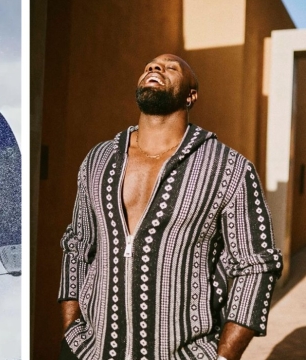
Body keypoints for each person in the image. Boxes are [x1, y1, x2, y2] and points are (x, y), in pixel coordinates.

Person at [57, 54, 283, 360]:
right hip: (90, 351)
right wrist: (71, 329)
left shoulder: (229, 168)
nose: (154, 67)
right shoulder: (99, 159)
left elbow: (258, 265)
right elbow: (78, 245)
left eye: (171, 68)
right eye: (149, 65)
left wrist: (224, 357)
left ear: (191, 95)